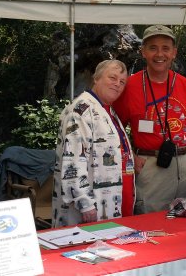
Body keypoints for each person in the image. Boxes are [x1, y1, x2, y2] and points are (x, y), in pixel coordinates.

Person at [113, 25, 186, 214]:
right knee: (150, 221)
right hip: (151, 165)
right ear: (143, 52)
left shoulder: (183, 83)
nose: (159, 54)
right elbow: (116, 129)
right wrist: (130, 157)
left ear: (174, 53)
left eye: (165, 48)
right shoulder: (130, 86)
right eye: (153, 47)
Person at [52, 60, 135, 228]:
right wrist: (84, 203)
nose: (117, 84)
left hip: (112, 201)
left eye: (122, 81)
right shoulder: (81, 110)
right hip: (89, 208)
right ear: (96, 78)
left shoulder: (106, 109)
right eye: (112, 77)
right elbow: (72, 161)